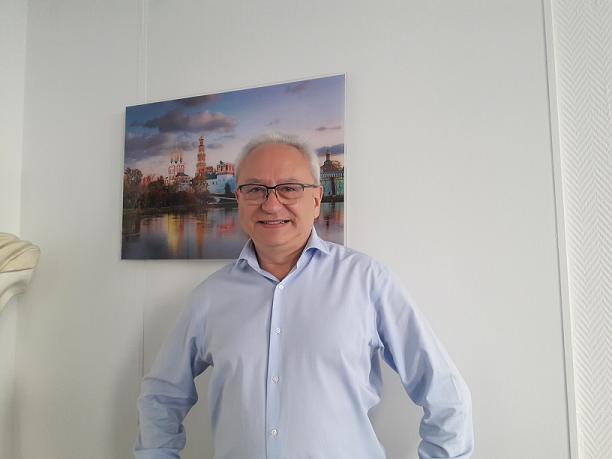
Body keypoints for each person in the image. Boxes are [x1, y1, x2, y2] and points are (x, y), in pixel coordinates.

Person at [134, 133, 474, 459]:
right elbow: (161, 395)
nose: (271, 203)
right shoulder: (209, 297)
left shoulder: (367, 281)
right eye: (255, 189)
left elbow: (445, 393)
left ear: (316, 200)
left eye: (289, 188)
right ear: (238, 199)